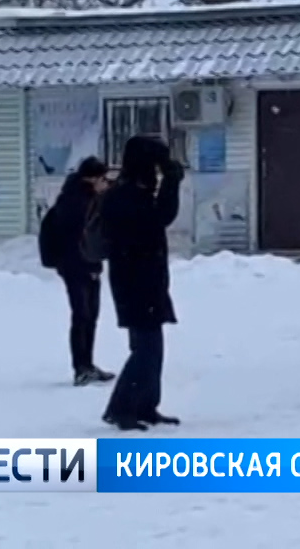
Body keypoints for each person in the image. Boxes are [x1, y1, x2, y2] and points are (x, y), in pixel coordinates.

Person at [101, 136, 184, 431]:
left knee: (153, 346)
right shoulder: (125, 196)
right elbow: (160, 218)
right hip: (133, 281)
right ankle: (121, 408)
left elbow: (158, 217)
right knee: (145, 348)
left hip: (146, 279)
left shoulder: (134, 191)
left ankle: (146, 404)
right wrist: (171, 182)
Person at [38, 157, 114, 386]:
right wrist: (89, 265)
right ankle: (81, 367)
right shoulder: (80, 202)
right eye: (103, 178)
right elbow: (82, 239)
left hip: (79, 265)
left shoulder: (77, 197)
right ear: (92, 179)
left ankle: (87, 364)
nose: (106, 183)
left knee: (88, 315)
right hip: (77, 266)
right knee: (83, 315)